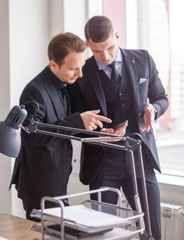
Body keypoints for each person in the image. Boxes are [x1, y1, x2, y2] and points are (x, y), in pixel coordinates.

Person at [68, 16, 169, 240]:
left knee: (152, 231)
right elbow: (75, 121)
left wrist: (154, 109)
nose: (105, 56)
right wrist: (95, 132)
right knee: (102, 234)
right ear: (87, 45)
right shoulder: (82, 74)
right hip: (103, 162)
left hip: (141, 157)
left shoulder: (143, 59)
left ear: (117, 36)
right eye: (97, 52)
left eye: (110, 48)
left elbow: (162, 98)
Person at [10, 32, 112, 221]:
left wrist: (95, 133)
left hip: (57, 180)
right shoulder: (34, 91)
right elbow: (33, 136)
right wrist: (77, 121)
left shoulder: (65, 84)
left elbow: (62, 127)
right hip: (40, 184)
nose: (80, 74)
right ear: (54, 64)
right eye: (74, 68)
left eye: (81, 67)